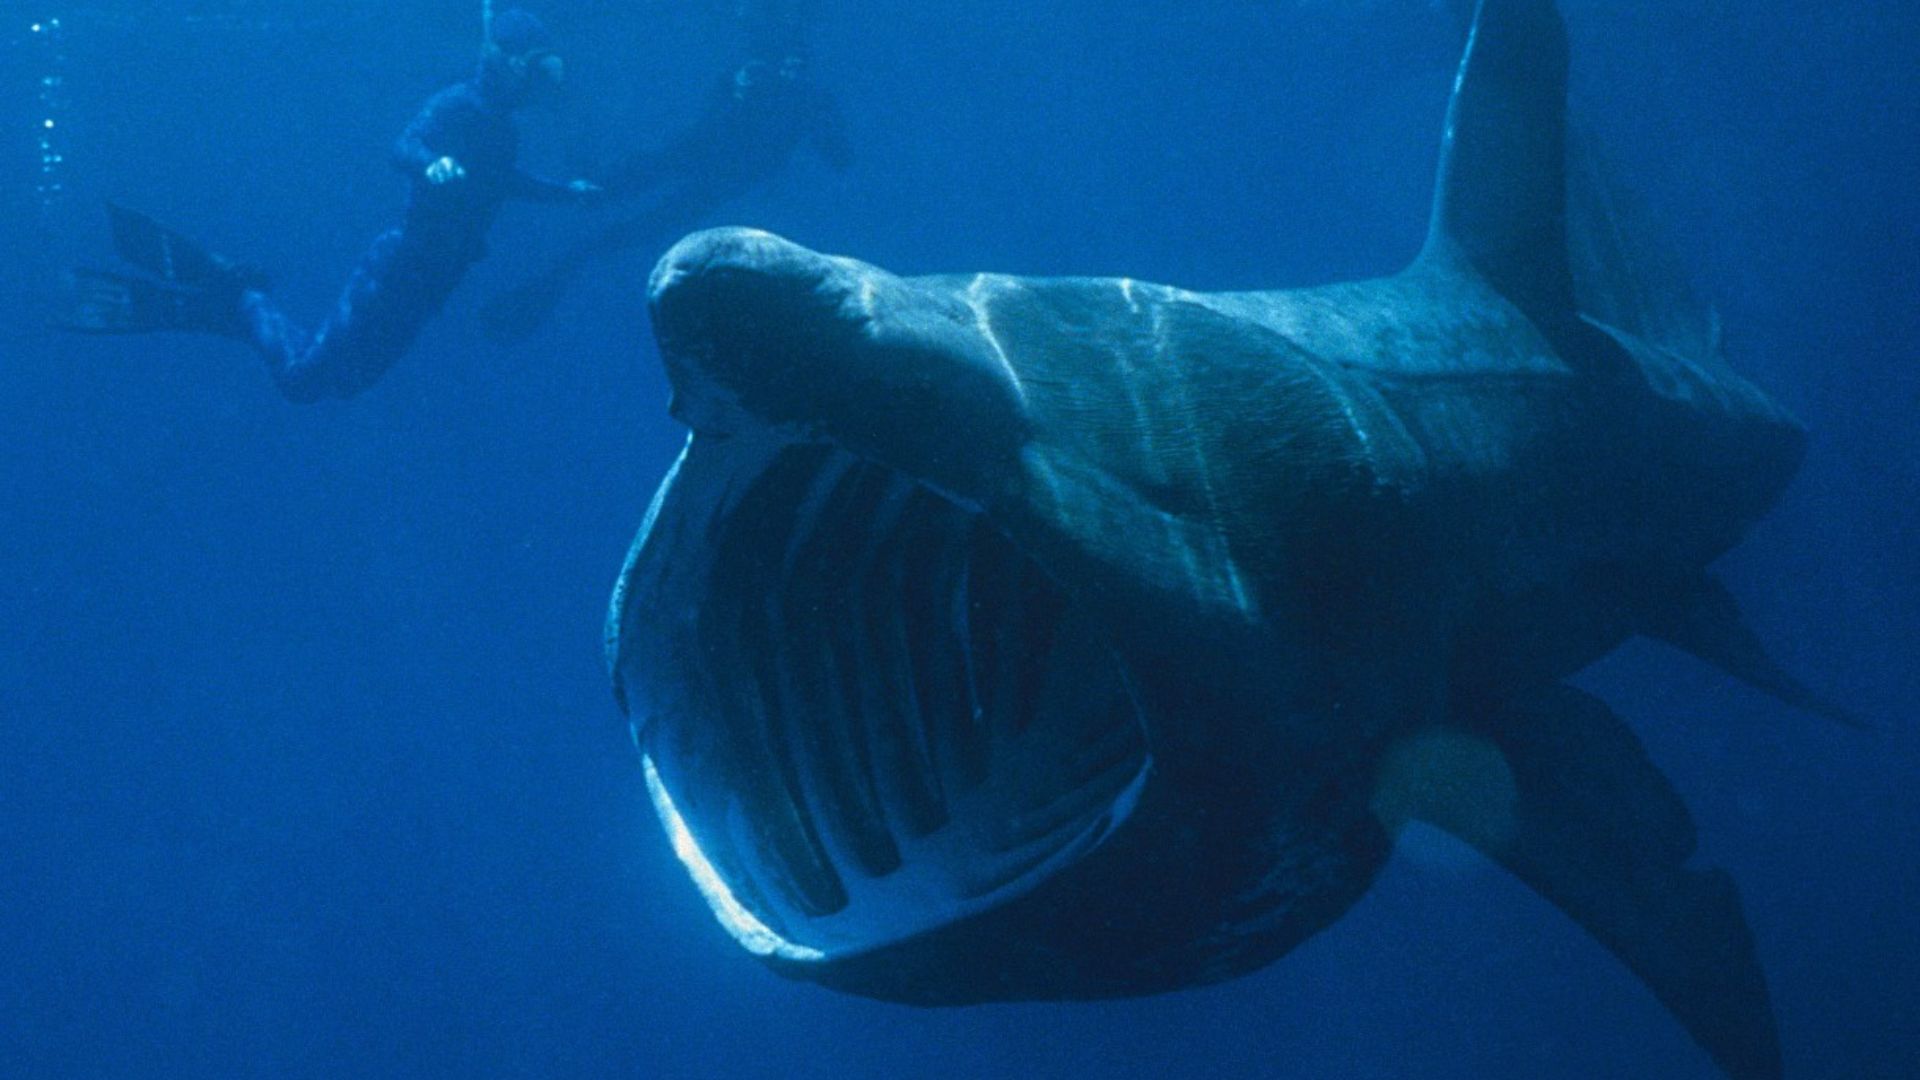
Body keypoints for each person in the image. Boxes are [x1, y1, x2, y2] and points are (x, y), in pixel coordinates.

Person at [59, 9, 602, 402]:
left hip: (432, 283)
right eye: (536, 71)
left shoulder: (501, 133)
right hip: (399, 270)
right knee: (301, 381)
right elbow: (404, 145)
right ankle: (244, 300)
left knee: (343, 383)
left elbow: (505, 181)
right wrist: (428, 165)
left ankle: (227, 306)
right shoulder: (458, 104)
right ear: (502, 62)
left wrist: (563, 193)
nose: (540, 87)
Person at [477, 3, 851, 343]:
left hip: (716, 171)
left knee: (630, 216)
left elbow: (837, 156)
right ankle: (565, 243)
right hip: (708, 160)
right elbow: (826, 155)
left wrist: (804, 114)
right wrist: (738, 90)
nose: (785, 70)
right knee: (613, 198)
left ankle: (561, 264)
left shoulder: (807, 98)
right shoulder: (761, 82)